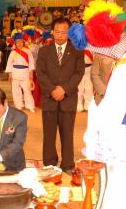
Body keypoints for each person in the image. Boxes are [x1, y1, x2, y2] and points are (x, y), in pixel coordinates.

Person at [70, 0, 126, 208]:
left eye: (99, 52)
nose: (97, 56)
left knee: (113, 198)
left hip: (119, 143)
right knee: (120, 195)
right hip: (124, 138)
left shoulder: (124, 70)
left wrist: (92, 149)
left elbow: (109, 115)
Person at [36, 17, 84, 173]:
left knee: (67, 134)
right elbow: (40, 73)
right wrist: (52, 90)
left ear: (69, 33)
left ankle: (68, 164)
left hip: (68, 98)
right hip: (49, 99)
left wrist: (64, 89)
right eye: (57, 32)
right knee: (49, 134)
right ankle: (50, 163)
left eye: (64, 32)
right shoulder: (44, 51)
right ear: (52, 32)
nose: (60, 35)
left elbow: (79, 73)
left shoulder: (77, 51)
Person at [5, 30, 35, 113]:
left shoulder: (28, 51)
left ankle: (30, 105)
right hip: (15, 72)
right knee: (16, 90)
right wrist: (10, 75)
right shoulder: (13, 52)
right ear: (15, 43)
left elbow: (31, 63)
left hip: (25, 72)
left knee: (27, 90)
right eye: (17, 42)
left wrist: (31, 74)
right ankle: (18, 105)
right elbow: (9, 64)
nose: (19, 44)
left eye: (21, 42)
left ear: (23, 42)